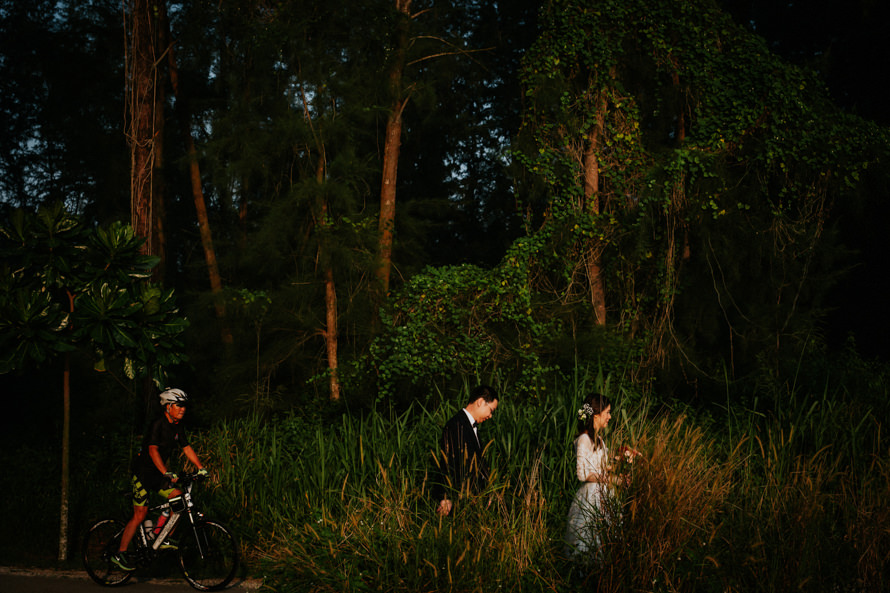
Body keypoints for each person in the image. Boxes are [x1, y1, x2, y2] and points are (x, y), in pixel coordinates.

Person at [111, 388, 208, 572]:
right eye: (179, 406)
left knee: (179, 499)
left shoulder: (178, 426)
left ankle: (162, 537)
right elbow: (152, 450)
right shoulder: (158, 424)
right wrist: (166, 472)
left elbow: (186, 448)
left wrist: (201, 468)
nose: (182, 409)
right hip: (143, 474)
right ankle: (120, 552)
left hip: (157, 475)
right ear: (169, 406)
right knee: (140, 514)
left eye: (184, 406)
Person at [564, 393, 621, 558]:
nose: (609, 417)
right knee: (589, 538)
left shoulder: (600, 440)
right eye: (607, 412)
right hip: (590, 496)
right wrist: (608, 479)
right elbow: (582, 474)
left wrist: (621, 464)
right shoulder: (583, 439)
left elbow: (601, 468)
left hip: (603, 493)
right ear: (596, 414)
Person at [433, 385, 499, 516]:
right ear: (480, 402)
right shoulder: (456, 425)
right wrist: (446, 496)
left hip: (473, 501)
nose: (490, 416)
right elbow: (448, 462)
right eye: (491, 410)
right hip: (458, 501)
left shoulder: (470, 426)